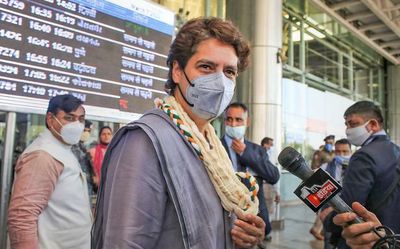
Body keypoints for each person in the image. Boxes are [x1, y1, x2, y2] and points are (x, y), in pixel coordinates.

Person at [92, 17, 265, 249]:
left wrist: (242, 235)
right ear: (176, 71)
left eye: (230, 72)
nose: (221, 82)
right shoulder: (144, 141)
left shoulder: (212, 145)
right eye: (206, 67)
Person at [8, 94, 92, 249]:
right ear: (50, 119)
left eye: (81, 119)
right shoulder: (42, 156)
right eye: (69, 118)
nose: (77, 124)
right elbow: (22, 217)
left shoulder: (63, 149)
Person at [326, 101, 400, 249]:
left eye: (353, 124)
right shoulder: (396, 150)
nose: (348, 130)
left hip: (368, 238)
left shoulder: (364, 156)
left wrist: (327, 220)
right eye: (346, 125)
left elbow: (350, 205)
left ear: (373, 124)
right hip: (392, 236)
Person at [221, 103, 280, 248]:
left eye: (238, 120)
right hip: (224, 218)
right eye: (229, 119)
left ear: (247, 122)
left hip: (254, 218)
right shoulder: (214, 146)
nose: (233, 124)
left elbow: (273, 176)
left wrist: (245, 153)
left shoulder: (257, 150)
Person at [319, 139, 352, 249]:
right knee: (329, 242)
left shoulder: (357, 168)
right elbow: (318, 191)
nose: (341, 155)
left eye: (345, 152)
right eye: (338, 152)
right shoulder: (325, 167)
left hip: (350, 214)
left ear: (350, 152)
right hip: (328, 215)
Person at [310, 134, 336, 240]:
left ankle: (319, 229)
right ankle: (316, 229)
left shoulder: (335, 153)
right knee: (324, 207)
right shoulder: (319, 153)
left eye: (332, 142)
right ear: (325, 142)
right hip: (321, 181)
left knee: (328, 206)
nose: (330, 144)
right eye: (329, 142)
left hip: (333, 182)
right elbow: (314, 167)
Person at [72, 120, 97, 196]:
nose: (86, 133)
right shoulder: (73, 147)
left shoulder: (83, 147)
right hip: (77, 189)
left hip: (86, 187)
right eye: (84, 130)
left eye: (88, 131)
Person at [260, 137, 281, 223]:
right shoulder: (268, 157)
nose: (272, 147)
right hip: (267, 186)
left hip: (262, 185)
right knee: (269, 211)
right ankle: (266, 232)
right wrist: (277, 192)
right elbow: (272, 176)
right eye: (271, 145)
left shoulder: (256, 155)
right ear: (265, 145)